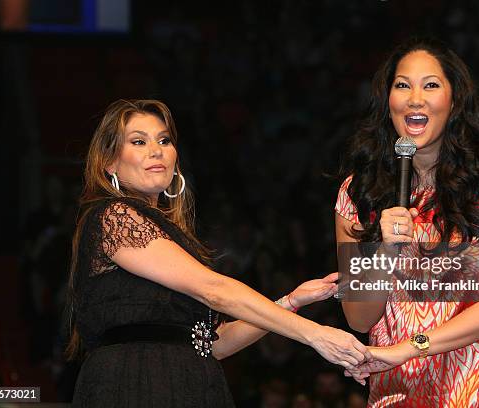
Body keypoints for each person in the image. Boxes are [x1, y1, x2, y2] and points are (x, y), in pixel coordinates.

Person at [66, 99, 371, 407]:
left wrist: (291, 301)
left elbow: (214, 344)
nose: (156, 150)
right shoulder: (114, 216)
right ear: (110, 162)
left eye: (164, 140)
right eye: (138, 141)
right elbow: (214, 290)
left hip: (190, 384)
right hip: (135, 385)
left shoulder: (172, 236)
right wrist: (315, 334)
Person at [335, 38, 479, 406]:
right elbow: (358, 319)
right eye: (402, 85)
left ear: (454, 102)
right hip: (400, 393)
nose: (415, 98)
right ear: (388, 102)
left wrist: (411, 348)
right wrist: (385, 252)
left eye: (430, 85)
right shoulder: (357, 193)